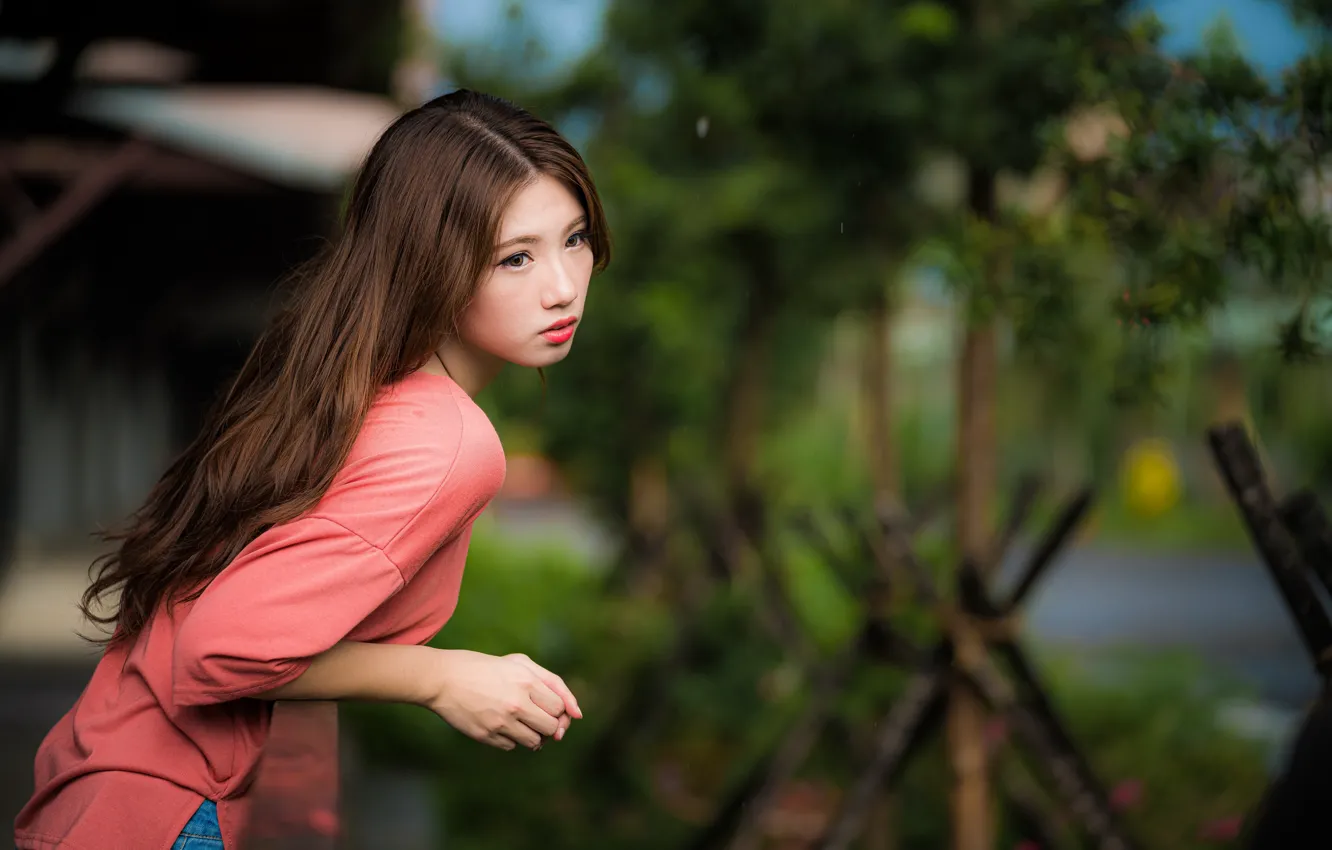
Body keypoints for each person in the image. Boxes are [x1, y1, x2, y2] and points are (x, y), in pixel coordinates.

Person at [15, 88, 609, 850]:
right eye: (515, 258)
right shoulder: (448, 443)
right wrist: (442, 678)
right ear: (432, 264)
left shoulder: (351, 386)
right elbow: (219, 647)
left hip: (109, 785)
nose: (562, 286)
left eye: (576, 238)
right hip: (166, 816)